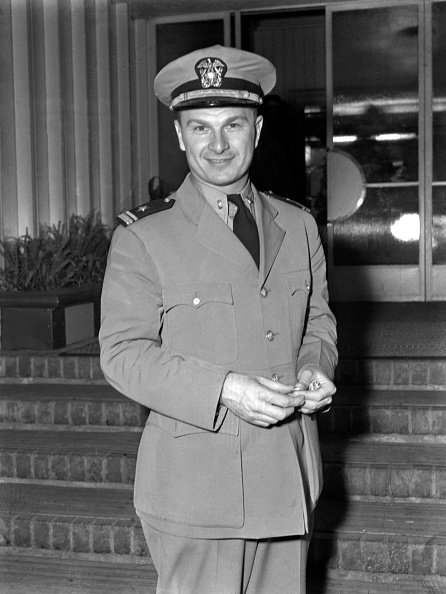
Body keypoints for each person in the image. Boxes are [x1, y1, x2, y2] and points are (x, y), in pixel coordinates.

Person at [99, 45, 337, 594]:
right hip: (196, 488)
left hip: (288, 475)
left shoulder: (299, 226)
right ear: (180, 136)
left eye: (233, 125)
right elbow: (123, 354)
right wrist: (226, 388)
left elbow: (318, 320)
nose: (218, 144)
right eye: (200, 128)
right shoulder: (143, 236)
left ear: (256, 129)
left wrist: (315, 366)